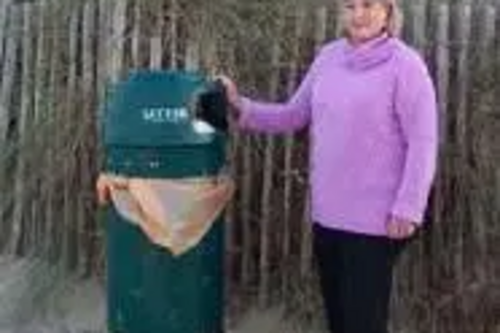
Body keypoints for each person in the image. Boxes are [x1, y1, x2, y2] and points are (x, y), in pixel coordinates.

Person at [219, 0, 438, 332]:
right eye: (350, 5)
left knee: (362, 323)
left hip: (376, 224)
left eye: (369, 5)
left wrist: (408, 206)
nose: (359, 14)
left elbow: (423, 142)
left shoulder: (406, 66)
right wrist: (240, 106)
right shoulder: (329, 57)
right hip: (328, 216)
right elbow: (294, 114)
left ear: (388, 11)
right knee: (338, 320)